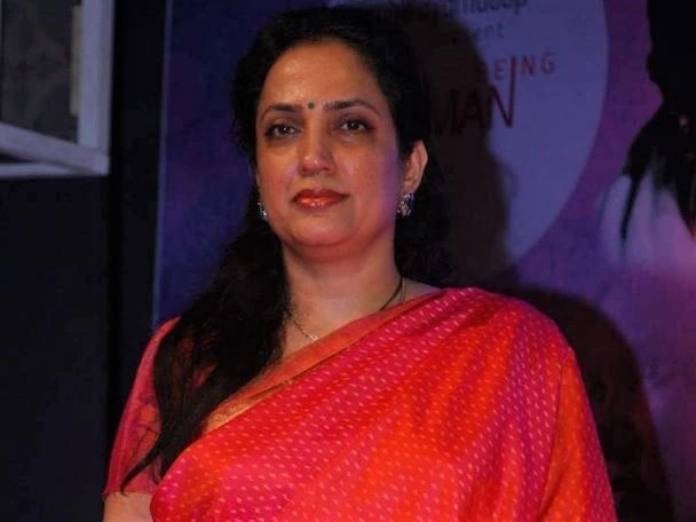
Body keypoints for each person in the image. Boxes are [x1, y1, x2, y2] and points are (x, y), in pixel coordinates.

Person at [104, 6, 615, 521]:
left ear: (410, 167)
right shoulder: (189, 356)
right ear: (258, 174)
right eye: (282, 129)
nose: (312, 157)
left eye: (350, 125)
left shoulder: (507, 351)